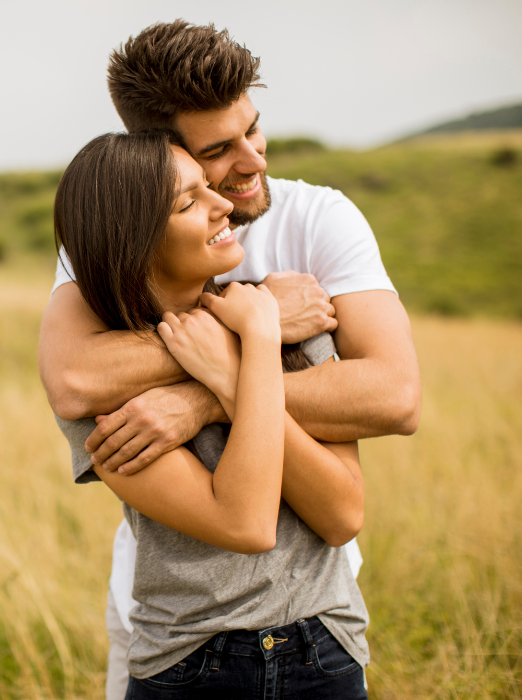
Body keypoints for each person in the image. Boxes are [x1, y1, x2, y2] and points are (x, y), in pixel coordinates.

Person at [38, 21, 421, 699]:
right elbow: (73, 380)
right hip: (181, 625)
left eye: (254, 129)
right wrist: (249, 323)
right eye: (218, 151)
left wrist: (216, 384)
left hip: (315, 612)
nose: (251, 163)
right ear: (155, 159)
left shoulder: (319, 220)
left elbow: (395, 397)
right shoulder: (110, 235)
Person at [53, 129, 370, 698]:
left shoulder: (280, 318)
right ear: (134, 241)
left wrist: (231, 376)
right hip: (191, 663)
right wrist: (246, 350)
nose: (224, 204)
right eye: (189, 201)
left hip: (326, 648)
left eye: (207, 188)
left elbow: (344, 515)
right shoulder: (113, 390)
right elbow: (245, 523)